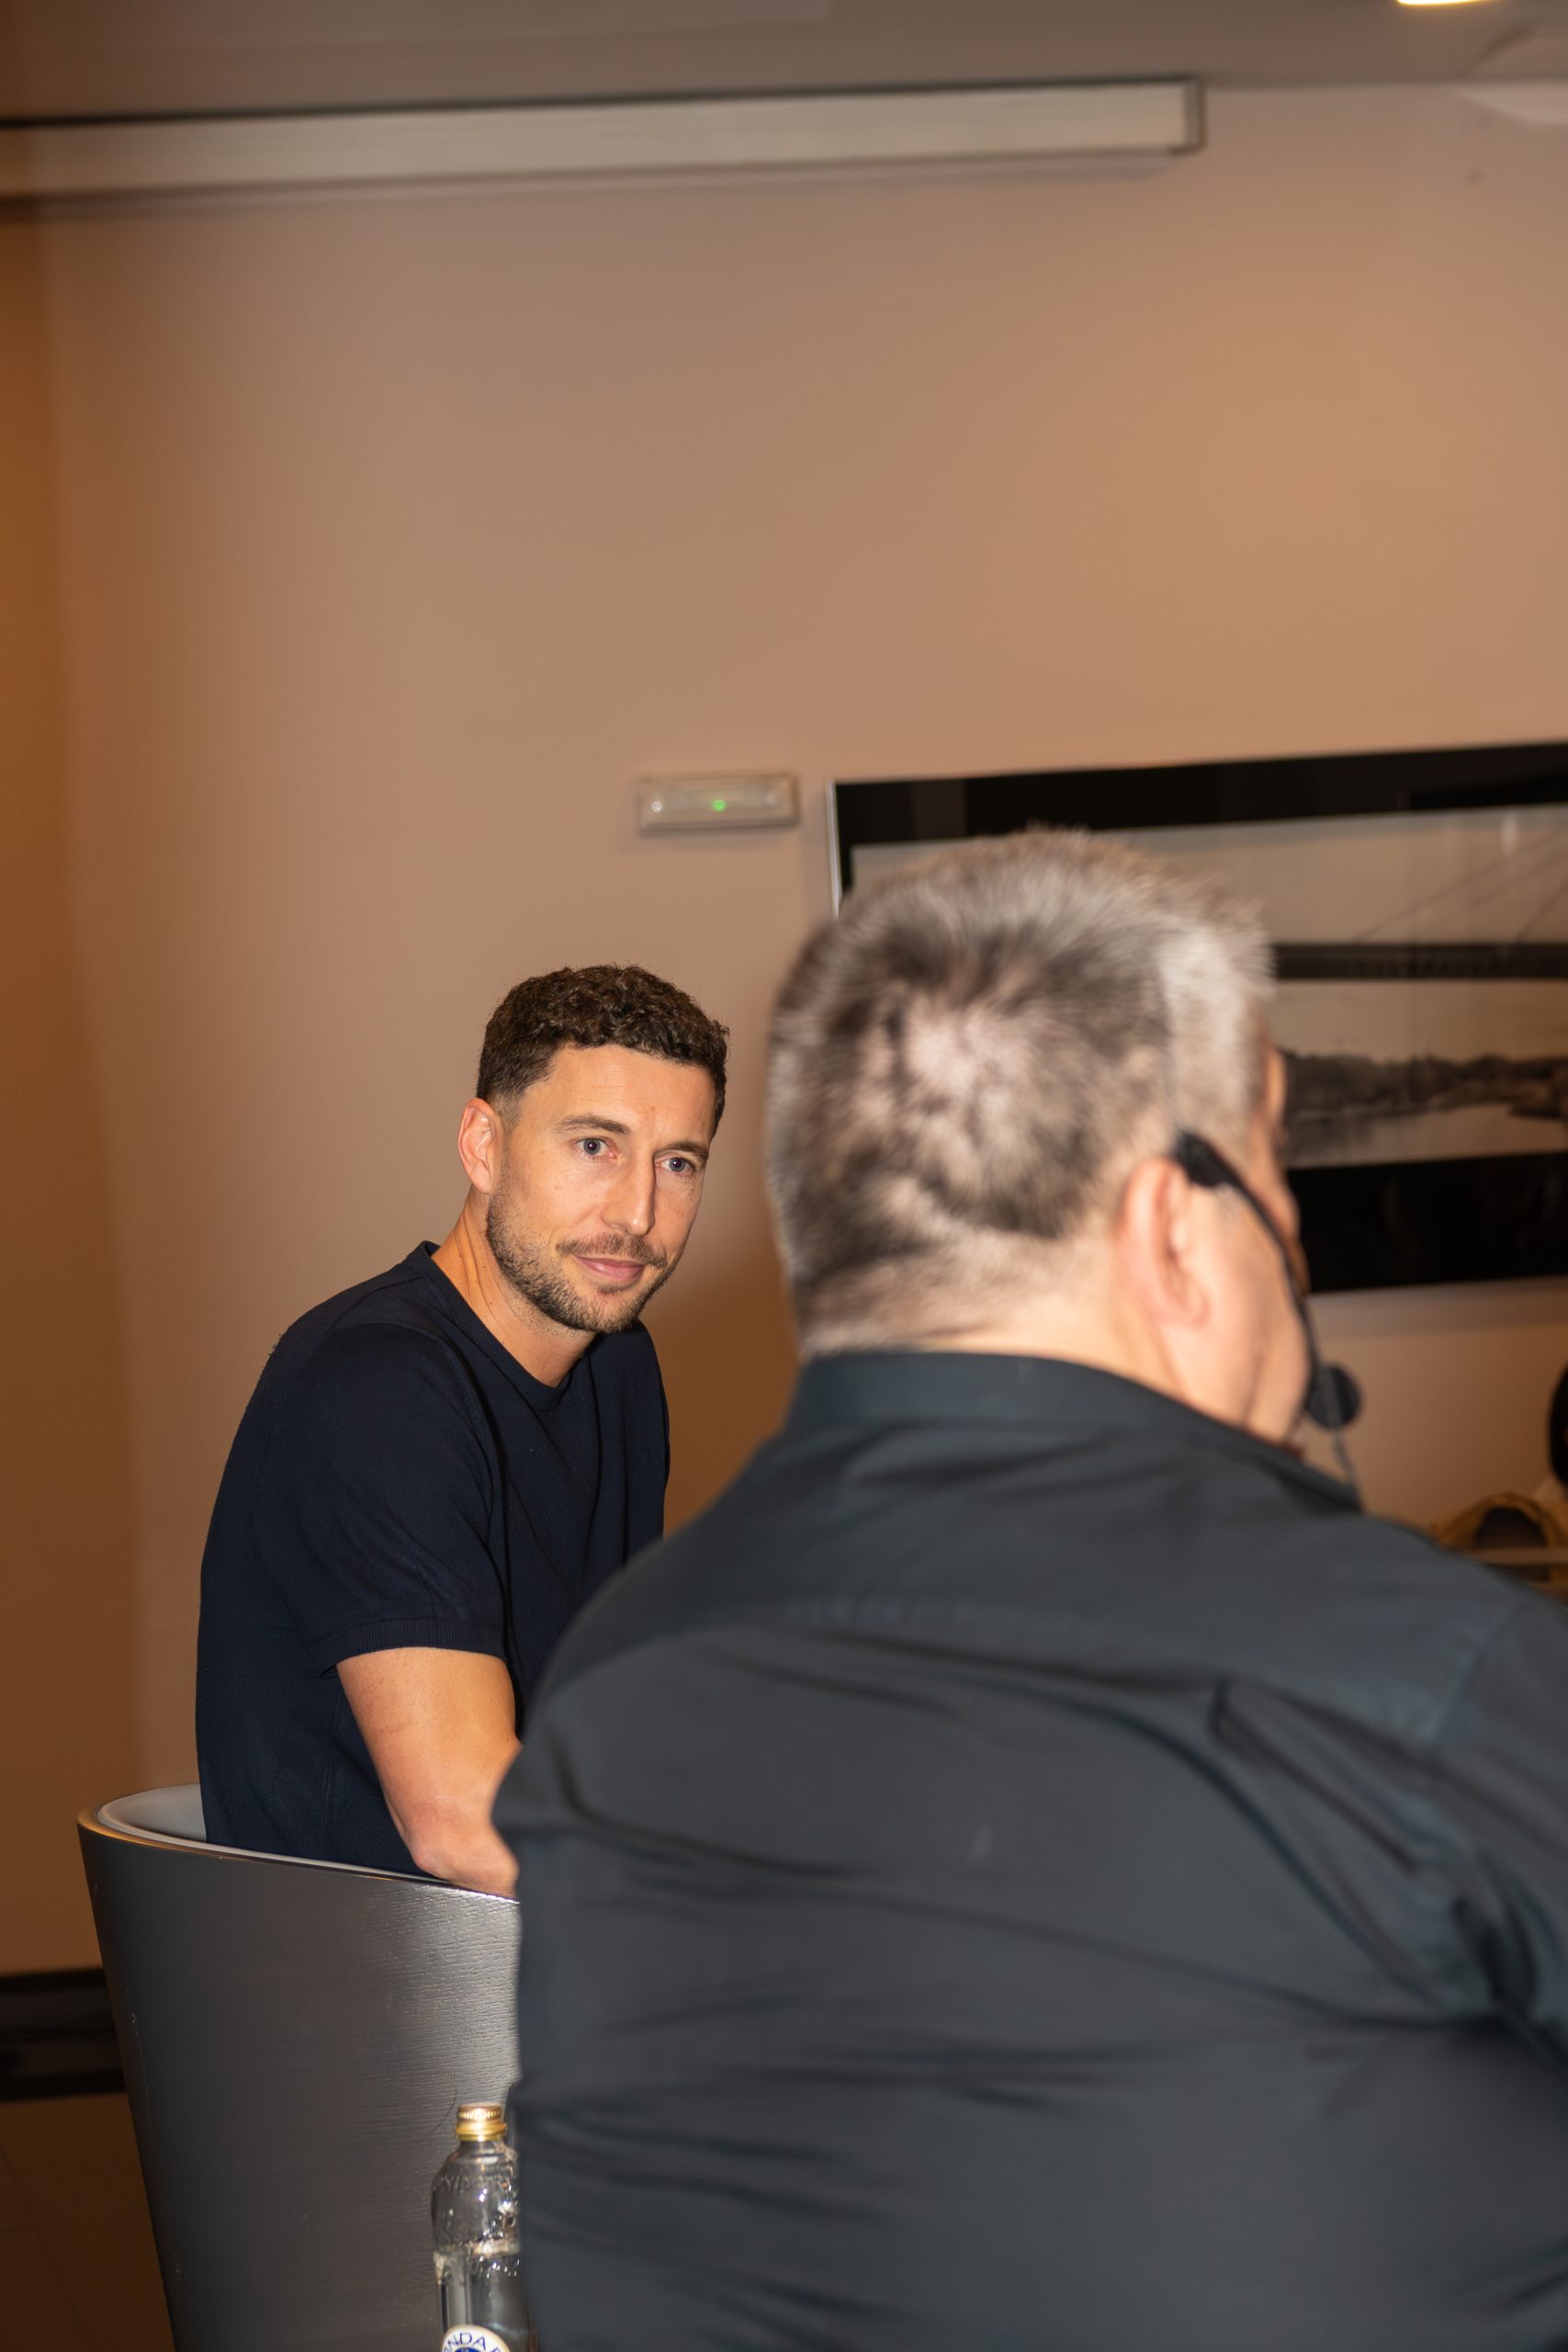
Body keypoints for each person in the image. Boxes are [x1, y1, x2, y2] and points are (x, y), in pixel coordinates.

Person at [499, 835, 1568, 2352]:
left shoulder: (612, 1682)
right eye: (1274, 1172)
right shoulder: (1425, 1678)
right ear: (1172, 1227)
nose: (1294, 1239)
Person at [197, 963, 726, 1891]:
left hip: (536, 1936)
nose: (637, 1213)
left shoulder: (618, 1367)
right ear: (484, 1146)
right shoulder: (376, 1387)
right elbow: (465, 1820)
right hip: (383, 1964)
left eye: (677, 1163)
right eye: (594, 1146)